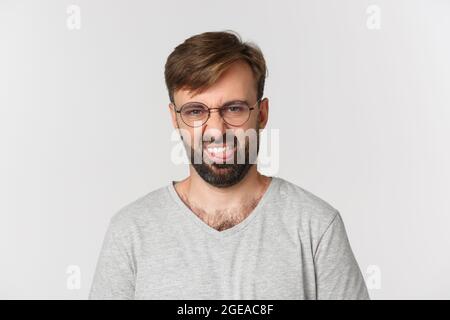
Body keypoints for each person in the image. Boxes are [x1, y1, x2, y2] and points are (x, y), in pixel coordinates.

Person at [89, 30, 370, 300]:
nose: (216, 129)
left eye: (233, 108)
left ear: (261, 114)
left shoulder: (316, 227)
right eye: (195, 111)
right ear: (175, 119)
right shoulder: (130, 232)